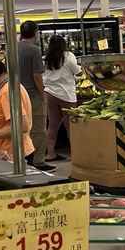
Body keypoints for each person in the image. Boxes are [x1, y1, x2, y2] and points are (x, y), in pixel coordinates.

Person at [17, 21, 52, 170]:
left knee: (21, 128)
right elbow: (37, 76)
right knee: (38, 129)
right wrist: (43, 95)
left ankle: (23, 159)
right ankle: (37, 161)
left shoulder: (11, 49)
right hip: (32, 95)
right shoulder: (34, 50)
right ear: (35, 33)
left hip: (16, 95)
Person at [43, 34, 82, 162]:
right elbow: (79, 73)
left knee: (52, 125)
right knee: (70, 126)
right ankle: (76, 155)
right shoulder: (68, 56)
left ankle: (50, 154)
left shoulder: (46, 59)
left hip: (50, 94)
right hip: (66, 95)